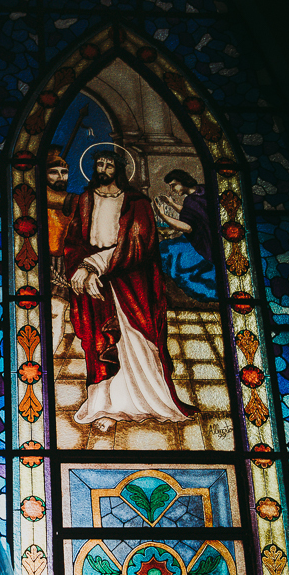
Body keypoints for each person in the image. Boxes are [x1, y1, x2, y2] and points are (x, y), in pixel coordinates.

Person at [61, 150, 198, 432]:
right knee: (101, 342)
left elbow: (139, 242)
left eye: (109, 164)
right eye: (99, 163)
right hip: (95, 284)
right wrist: (79, 269)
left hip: (130, 281)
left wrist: (94, 264)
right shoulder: (85, 200)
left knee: (136, 341)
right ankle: (103, 406)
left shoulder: (136, 202)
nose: (103, 168)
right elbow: (74, 240)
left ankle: (150, 402)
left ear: (119, 169)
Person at [153, 167, 217, 303]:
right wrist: (172, 204)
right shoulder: (202, 190)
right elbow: (193, 212)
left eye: (173, 185)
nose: (172, 190)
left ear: (182, 181)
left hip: (204, 242)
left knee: (165, 249)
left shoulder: (191, 201)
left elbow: (188, 227)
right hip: (213, 236)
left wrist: (163, 216)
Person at [44, 150, 80, 356]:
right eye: (54, 172)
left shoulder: (67, 199)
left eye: (64, 172)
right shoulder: (39, 194)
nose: (60, 177)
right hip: (37, 260)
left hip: (60, 262)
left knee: (57, 312)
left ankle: (48, 357)